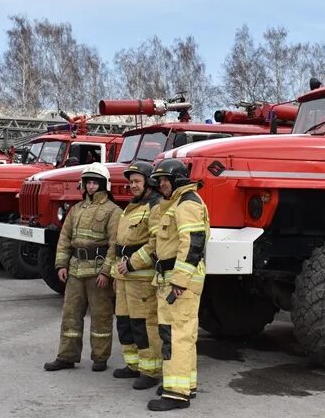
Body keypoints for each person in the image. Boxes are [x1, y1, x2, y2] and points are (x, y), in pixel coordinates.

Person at [122, 159, 209, 411]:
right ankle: (184, 385)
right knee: (181, 334)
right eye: (158, 181)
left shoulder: (187, 203)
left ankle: (176, 394)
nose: (161, 185)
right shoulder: (174, 203)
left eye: (164, 180)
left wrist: (180, 282)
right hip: (170, 278)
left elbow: (192, 244)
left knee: (176, 336)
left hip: (179, 281)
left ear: (177, 180)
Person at [43, 163, 122, 372]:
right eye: (89, 182)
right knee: (70, 315)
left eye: (96, 182)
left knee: (101, 316)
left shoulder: (113, 211)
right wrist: (61, 264)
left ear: (104, 185)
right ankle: (66, 356)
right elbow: (64, 238)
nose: (91, 186)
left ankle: (100, 358)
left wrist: (107, 272)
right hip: (75, 271)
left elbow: (115, 245)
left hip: (97, 274)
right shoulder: (76, 210)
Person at [110, 161, 163, 390]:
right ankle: (133, 365)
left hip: (141, 279)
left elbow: (155, 244)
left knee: (144, 325)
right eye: (130, 182)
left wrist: (131, 264)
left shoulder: (155, 207)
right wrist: (116, 271)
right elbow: (120, 243)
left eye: (137, 181)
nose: (132, 186)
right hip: (124, 278)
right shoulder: (131, 207)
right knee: (125, 324)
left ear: (149, 182)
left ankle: (150, 371)